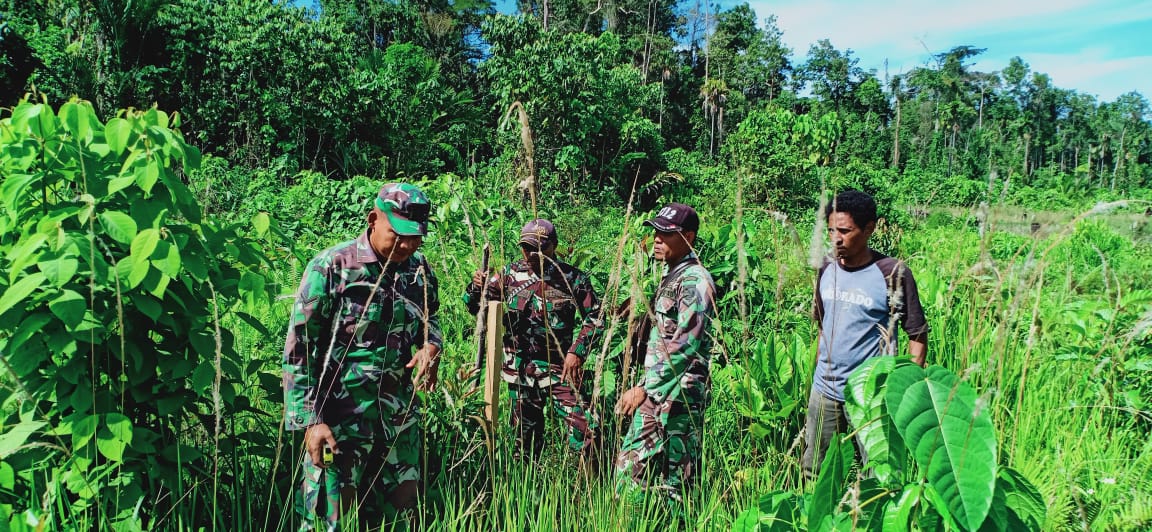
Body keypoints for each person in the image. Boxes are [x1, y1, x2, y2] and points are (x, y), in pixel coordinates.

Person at [283, 183, 442, 531]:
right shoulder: (332, 268)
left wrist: (431, 347)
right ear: (373, 219)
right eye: (398, 235)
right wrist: (311, 421)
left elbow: (431, 322)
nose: (408, 245)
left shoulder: (418, 272)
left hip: (398, 423)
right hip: (338, 424)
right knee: (331, 519)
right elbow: (298, 350)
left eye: (416, 237)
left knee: (402, 517)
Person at [802, 190, 929, 479]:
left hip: (871, 395)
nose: (836, 239)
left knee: (879, 474)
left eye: (845, 231)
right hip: (824, 389)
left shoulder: (892, 273)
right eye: (832, 230)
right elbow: (823, 324)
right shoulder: (826, 267)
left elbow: (917, 337)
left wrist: (902, 393)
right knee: (815, 469)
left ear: (869, 228)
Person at [465, 219, 603, 462]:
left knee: (586, 430)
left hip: (561, 369)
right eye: (527, 248)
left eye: (540, 248)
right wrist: (476, 288)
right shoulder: (508, 275)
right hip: (522, 370)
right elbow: (478, 309)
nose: (533, 254)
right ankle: (527, 490)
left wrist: (577, 352)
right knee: (524, 443)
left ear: (554, 246)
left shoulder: (572, 278)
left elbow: (597, 317)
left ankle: (587, 491)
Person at [615, 203, 716, 504]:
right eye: (657, 232)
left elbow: (686, 345)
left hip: (678, 397)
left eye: (667, 234)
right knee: (641, 473)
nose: (658, 239)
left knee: (675, 481)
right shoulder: (673, 275)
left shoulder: (695, 281)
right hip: (661, 393)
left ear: (689, 237)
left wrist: (643, 389)